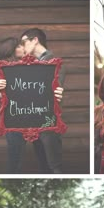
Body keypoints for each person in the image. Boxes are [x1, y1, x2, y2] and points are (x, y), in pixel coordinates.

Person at [0, 36, 63, 174]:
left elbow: (46, 90)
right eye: (19, 46)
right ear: (11, 50)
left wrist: (56, 93)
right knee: (15, 161)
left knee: (44, 158)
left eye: (22, 45)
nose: (22, 48)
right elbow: (0, 103)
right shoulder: (2, 70)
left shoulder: (34, 66)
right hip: (14, 121)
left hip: (37, 119)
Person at [20, 28, 65, 174]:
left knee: (54, 166)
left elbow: (47, 93)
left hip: (48, 124)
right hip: (34, 124)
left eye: (24, 42)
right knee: (43, 165)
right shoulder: (31, 64)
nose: (22, 46)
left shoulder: (55, 62)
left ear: (35, 40)